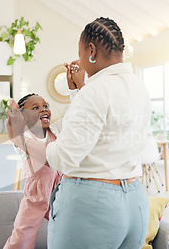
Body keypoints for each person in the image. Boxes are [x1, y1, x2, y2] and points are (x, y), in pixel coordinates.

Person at [46, 17, 151, 249]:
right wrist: (78, 91)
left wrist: (27, 143)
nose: (81, 62)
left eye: (81, 53)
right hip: (135, 200)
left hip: (93, 204)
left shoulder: (95, 91)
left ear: (91, 50)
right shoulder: (138, 87)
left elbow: (63, 158)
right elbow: (104, 130)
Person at [3, 93, 62, 249]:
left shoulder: (55, 131)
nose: (43, 110)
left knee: (70, 230)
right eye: (35, 108)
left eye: (45, 106)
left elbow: (76, 118)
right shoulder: (25, 138)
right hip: (35, 199)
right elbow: (17, 139)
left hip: (59, 196)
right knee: (22, 238)